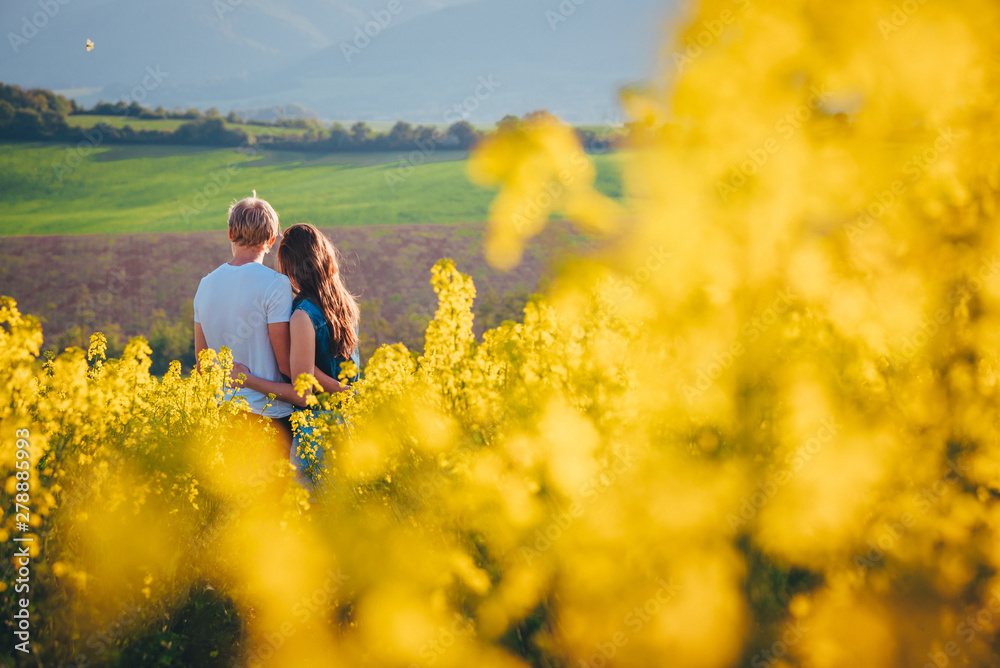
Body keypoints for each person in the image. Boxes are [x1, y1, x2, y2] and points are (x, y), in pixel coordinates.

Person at [193, 195, 342, 457]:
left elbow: (203, 366)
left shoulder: (205, 284)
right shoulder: (276, 284)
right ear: (272, 240)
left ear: (229, 233)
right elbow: (287, 367)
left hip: (224, 415)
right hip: (270, 418)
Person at [229, 223, 361, 481]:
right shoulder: (345, 304)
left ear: (290, 265)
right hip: (347, 423)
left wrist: (247, 379)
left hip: (316, 431)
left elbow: (304, 381)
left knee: (312, 512)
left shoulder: (302, 315)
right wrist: (347, 392)